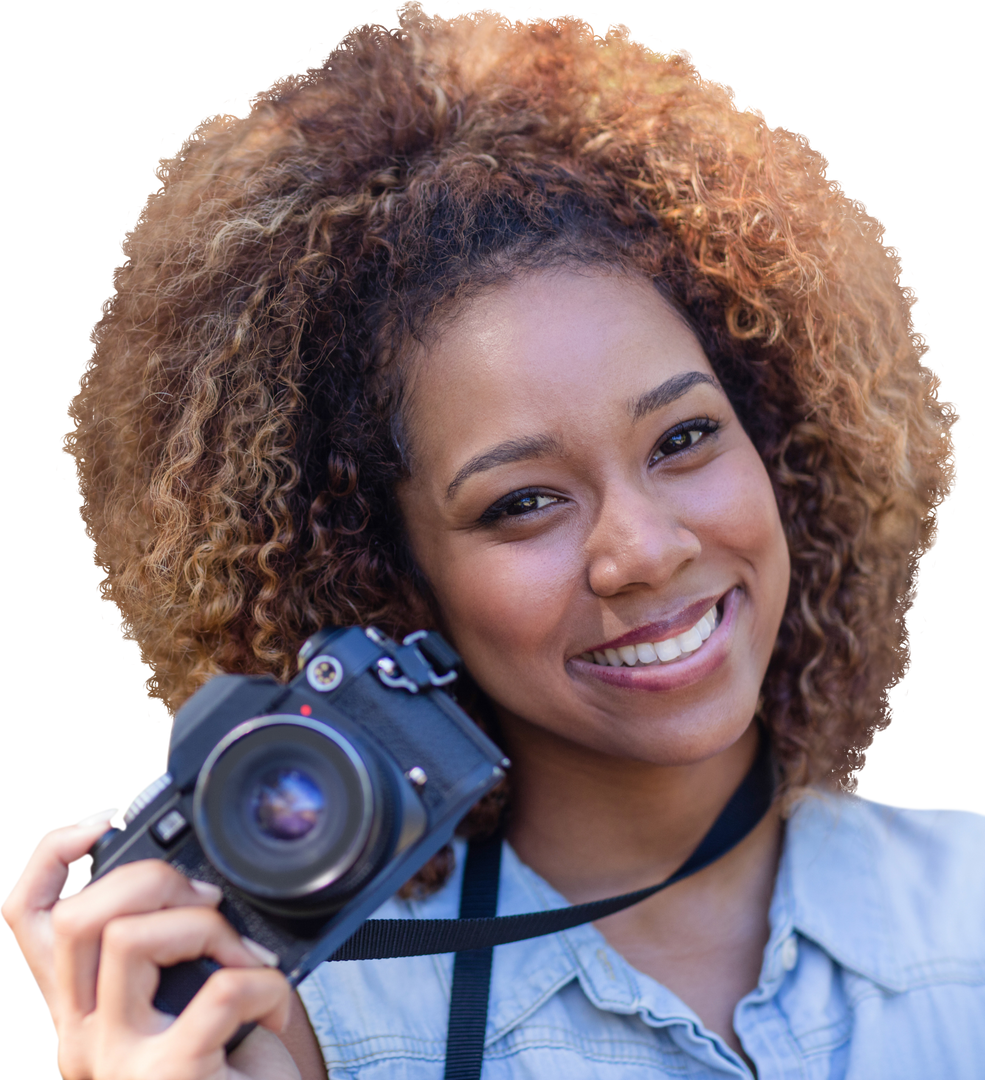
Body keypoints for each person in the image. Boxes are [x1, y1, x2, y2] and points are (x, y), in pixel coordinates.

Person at [4, 4, 980, 1078]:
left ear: (778, 437)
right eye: (522, 503)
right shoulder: (290, 1035)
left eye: (685, 437)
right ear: (389, 575)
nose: (644, 551)